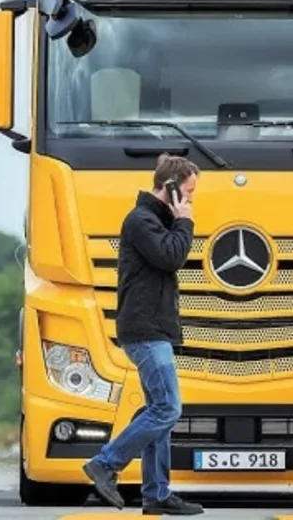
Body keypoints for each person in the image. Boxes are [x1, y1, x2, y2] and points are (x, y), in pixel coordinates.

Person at [82, 153, 204, 516]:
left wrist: (177, 221)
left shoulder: (154, 221)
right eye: (189, 192)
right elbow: (172, 257)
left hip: (153, 329)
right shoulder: (141, 221)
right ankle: (106, 463)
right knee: (168, 408)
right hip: (145, 331)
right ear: (171, 188)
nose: (191, 199)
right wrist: (185, 221)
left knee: (158, 412)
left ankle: (156, 495)